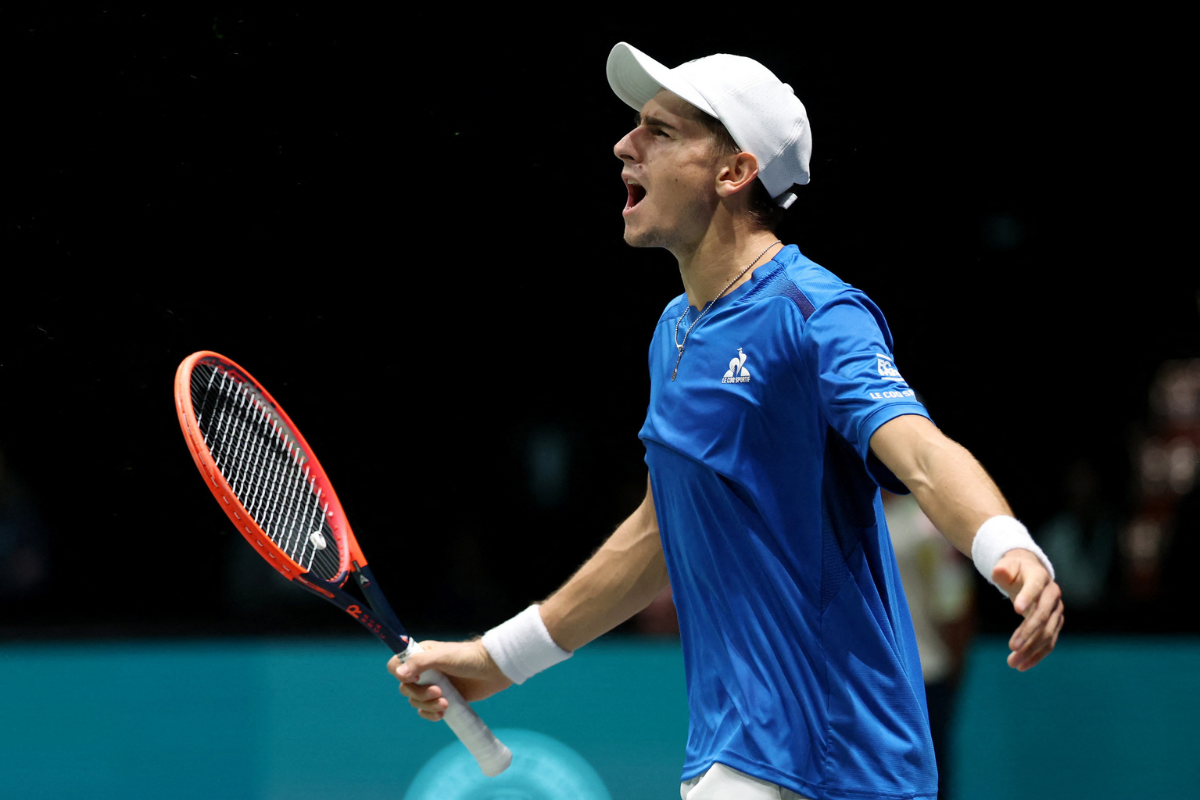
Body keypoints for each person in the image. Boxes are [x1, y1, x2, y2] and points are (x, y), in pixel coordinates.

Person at [391, 43, 1064, 800]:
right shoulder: (673, 334)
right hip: (735, 754)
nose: (625, 145)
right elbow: (657, 533)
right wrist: (496, 659)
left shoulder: (812, 314)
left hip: (834, 764)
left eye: (662, 131)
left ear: (733, 172)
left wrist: (1007, 545)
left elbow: (922, 454)